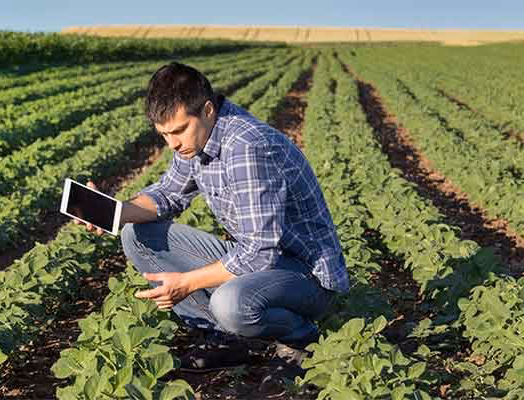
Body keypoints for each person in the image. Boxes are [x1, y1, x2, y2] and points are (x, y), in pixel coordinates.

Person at [74, 62, 349, 384]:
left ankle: (299, 339)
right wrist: (113, 210)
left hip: (305, 275)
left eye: (178, 131)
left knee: (230, 302)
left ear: (207, 110)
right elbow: (167, 195)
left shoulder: (247, 148)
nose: (173, 144)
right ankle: (227, 339)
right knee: (137, 235)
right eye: (164, 134)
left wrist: (187, 283)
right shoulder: (197, 140)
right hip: (263, 262)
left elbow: (260, 253)